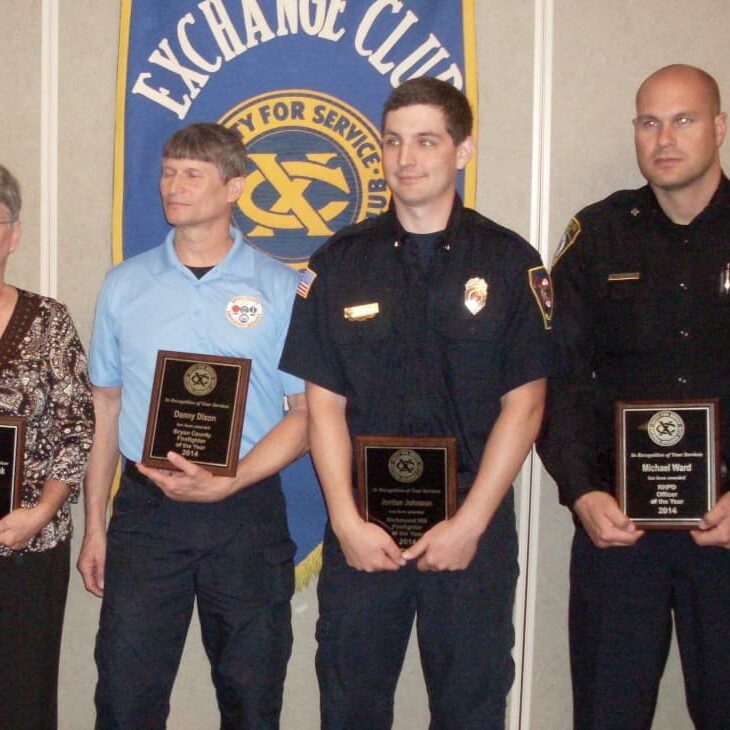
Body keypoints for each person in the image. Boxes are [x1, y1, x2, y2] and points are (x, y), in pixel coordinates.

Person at [280, 77, 554, 728]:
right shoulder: (340, 263)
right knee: (350, 707)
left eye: (426, 141)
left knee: (471, 707)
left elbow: (527, 404)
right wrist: (345, 524)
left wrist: (470, 524)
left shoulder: (511, 262)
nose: (406, 158)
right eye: (393, 141)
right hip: (362, 529)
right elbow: (323, 406)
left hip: (471, 529)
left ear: (463, 150)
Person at [77, 123, 307, 729]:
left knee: (253, 699)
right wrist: (95, 525)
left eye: (193, 174)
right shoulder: (124, 285)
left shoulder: (281, 289)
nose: (173, 187)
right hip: (148, 516)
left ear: (234, 186)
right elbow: (105, 407)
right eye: (168, 171)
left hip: (246, 512)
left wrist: (231, 482)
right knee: (126, 701)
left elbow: (306, 416)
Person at [537, 64, 730, 729]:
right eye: (649, 122)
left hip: (729, 527)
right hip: (619, 530)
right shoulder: (597, 236)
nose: (664, 138)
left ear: (720, 127)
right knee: (607, 714)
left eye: (684, 119)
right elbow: (556, 377)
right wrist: (582, 491)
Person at [0, 164, 94, 729]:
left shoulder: (50, 321)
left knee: (23, 699)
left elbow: (78, 429)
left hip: (30, 545)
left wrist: (41, 512)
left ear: (13, 234)